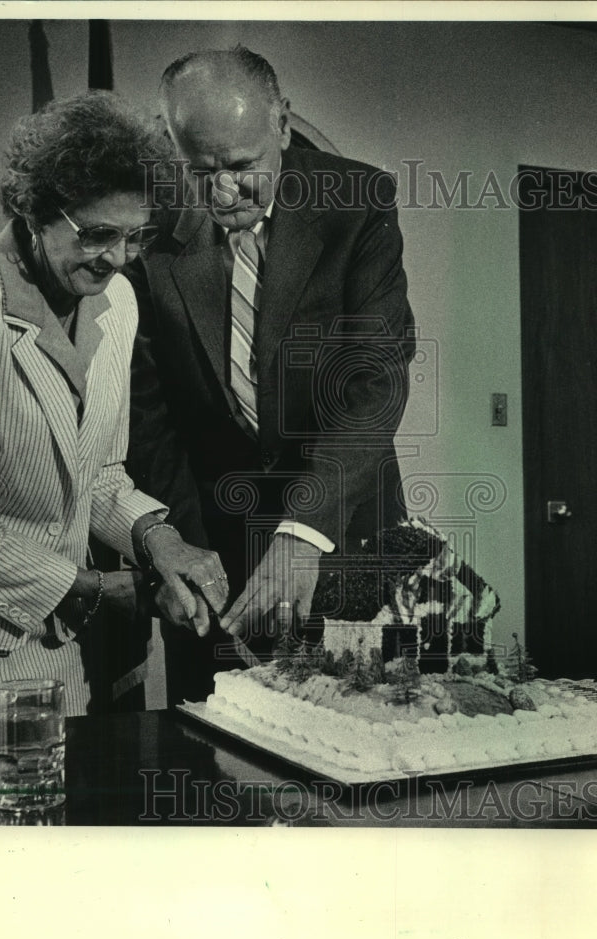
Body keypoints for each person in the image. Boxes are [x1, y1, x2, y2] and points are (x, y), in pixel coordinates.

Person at [0, 92, 228, 731]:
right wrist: (91, 589)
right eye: (96, 234)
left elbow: (99, 473)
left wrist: (160, 538)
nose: (117, 259)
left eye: (133, 236)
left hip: (50, 649)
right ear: (34, 212)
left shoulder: (116, 306)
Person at [126, 47, 416, 704]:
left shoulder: (357, 203)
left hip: (344, 536)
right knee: (214, 771)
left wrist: (304, 528)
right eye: (202, 171)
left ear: (281, 125)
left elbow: (375, 382)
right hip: (215, 555)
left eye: (241, 166)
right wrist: (185, 554)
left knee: (355, 759)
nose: (224, 191)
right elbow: (151, 418)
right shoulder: (145, 232)